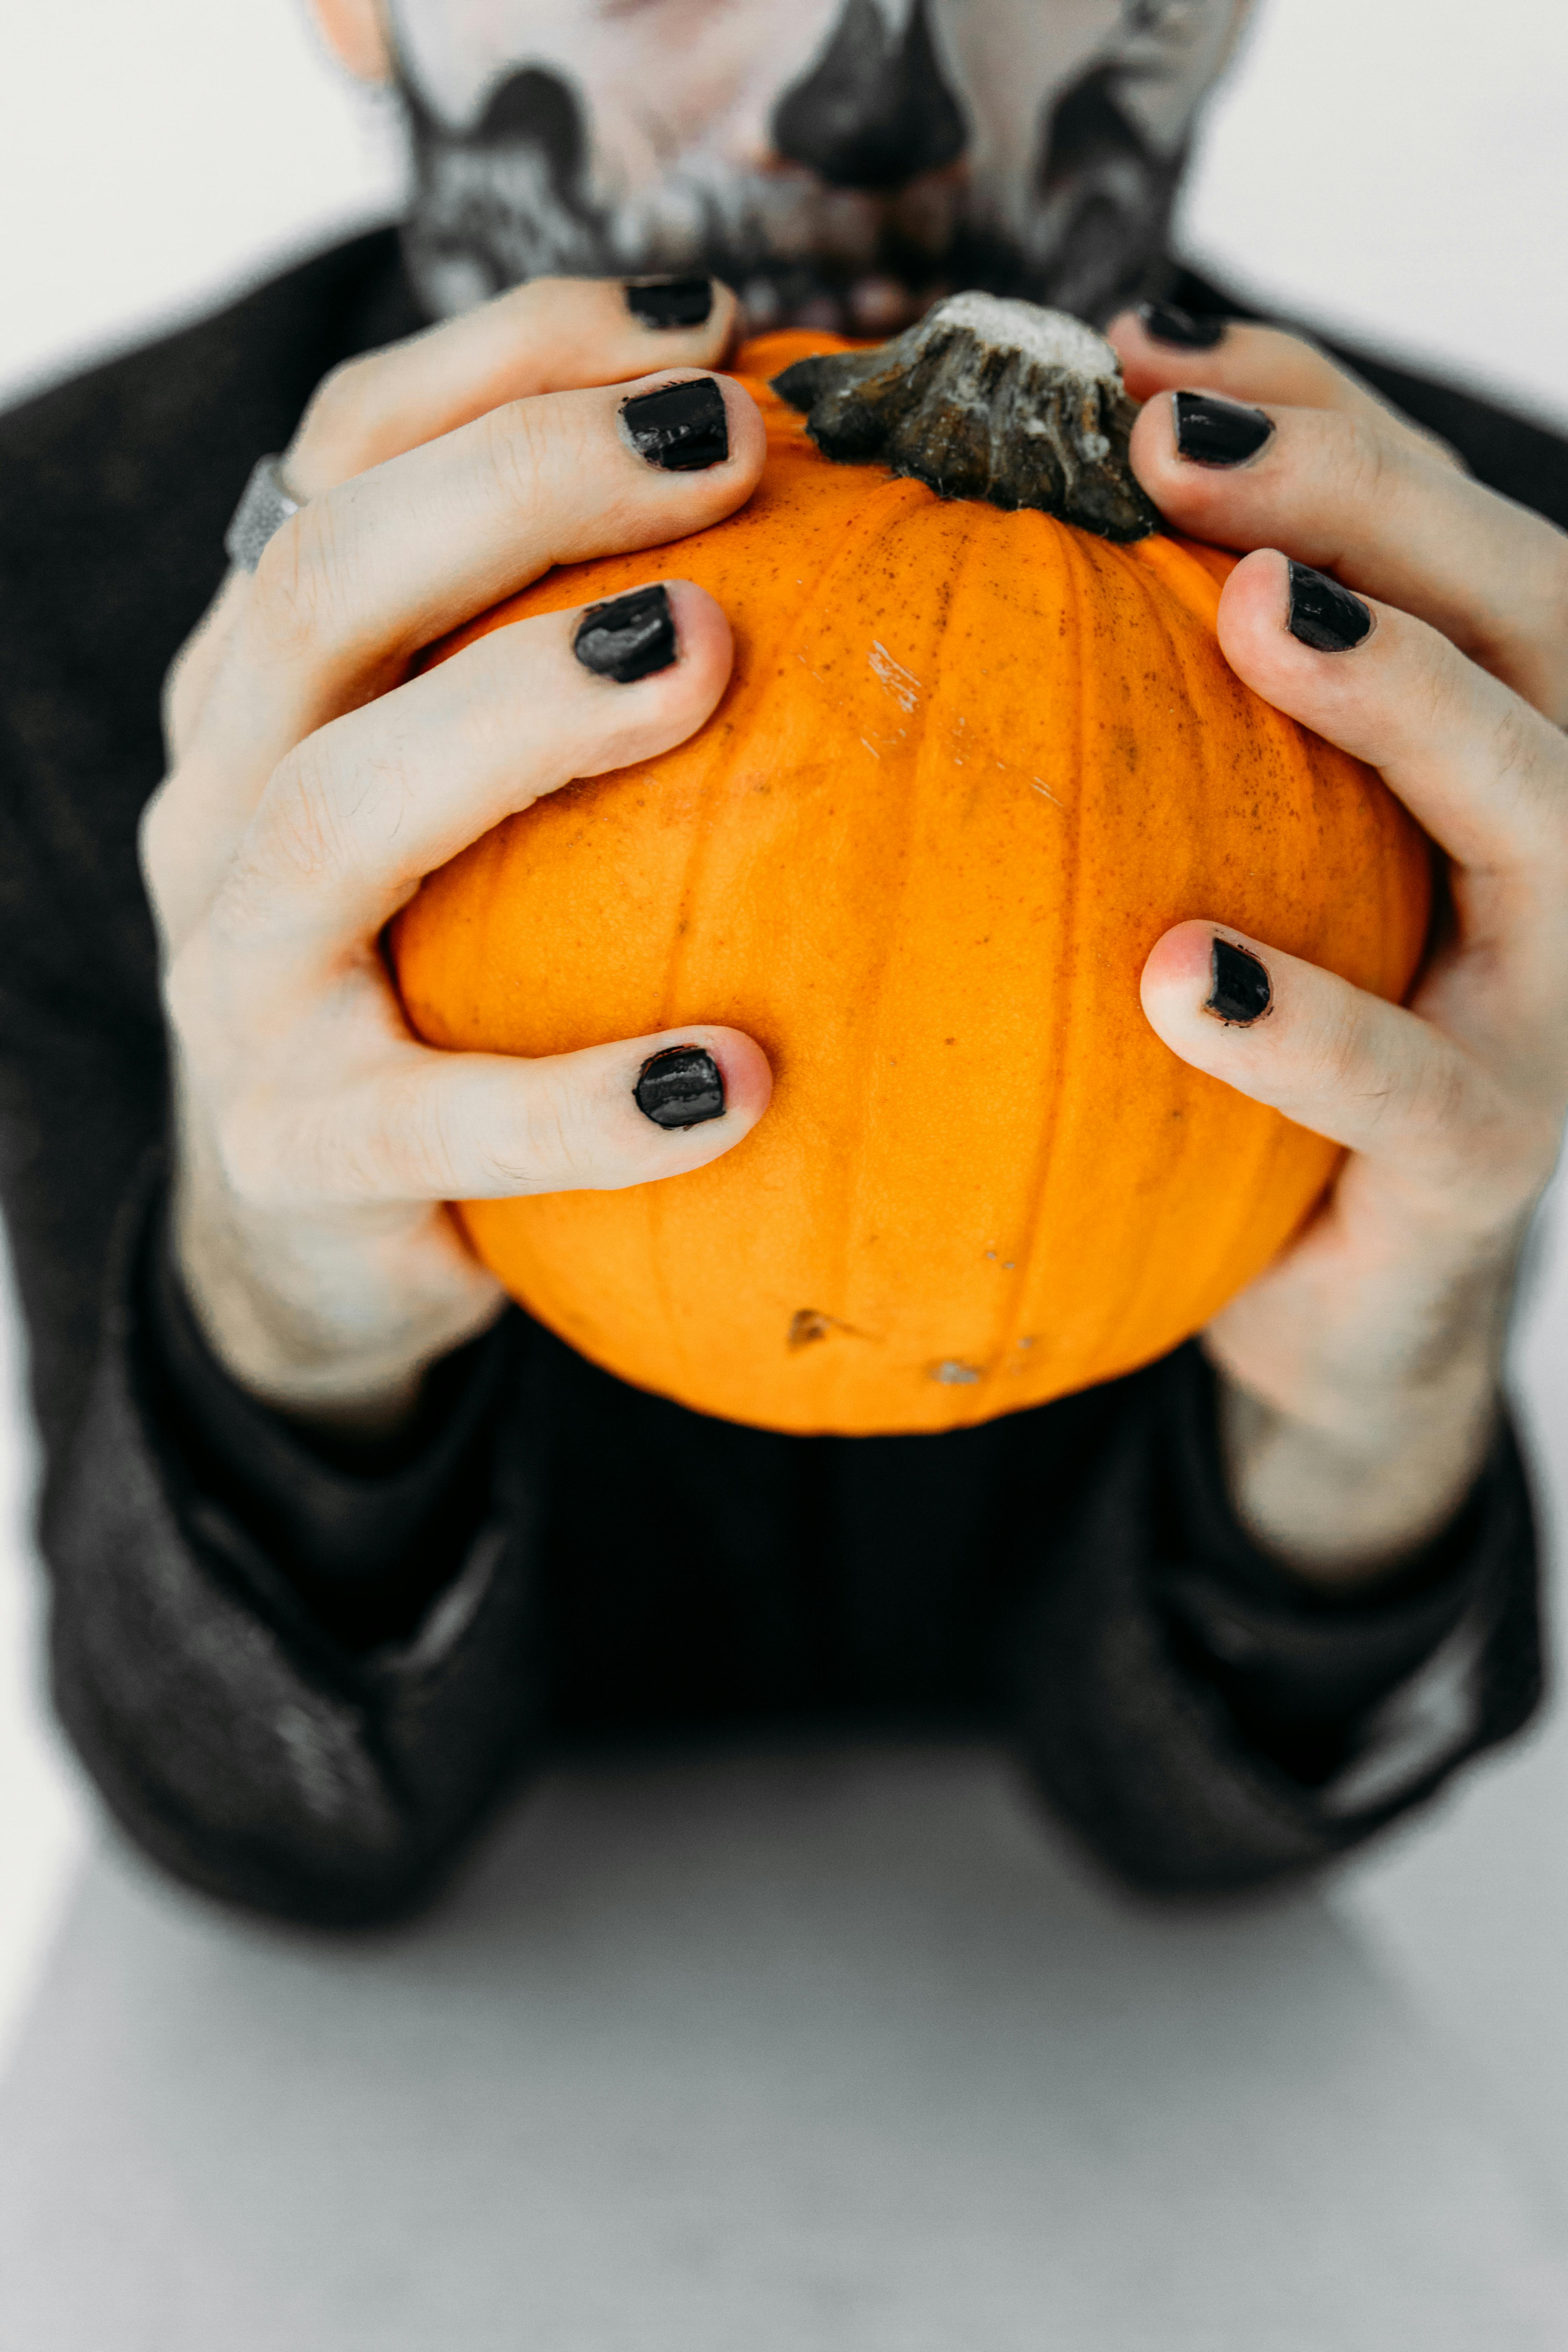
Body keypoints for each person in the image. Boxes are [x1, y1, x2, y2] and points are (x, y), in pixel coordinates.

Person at [0, 0, 1563, 1927]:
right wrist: (283, 1331)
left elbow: (1215, 1860)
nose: (868, 99)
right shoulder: (52, 585)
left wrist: (1363, 1425)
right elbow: (262, 1837)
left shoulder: (1466, 631)